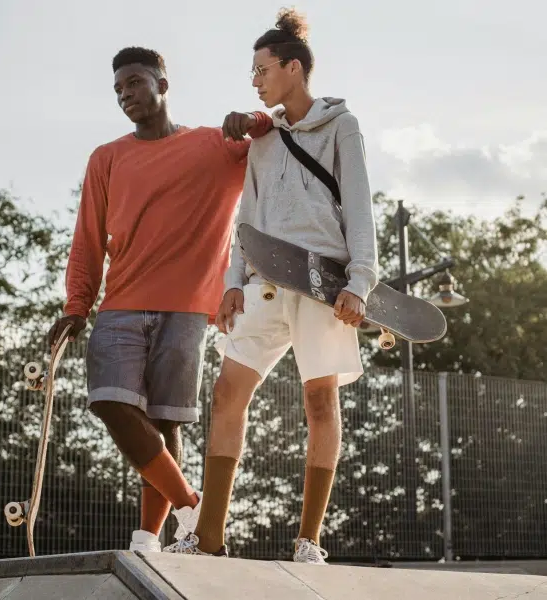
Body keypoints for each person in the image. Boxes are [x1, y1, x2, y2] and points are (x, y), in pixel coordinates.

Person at [163, 9, 379, 564]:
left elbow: (359, 209)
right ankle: (208, 537)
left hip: (320, 281)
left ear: (293, 67)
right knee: (227, 394)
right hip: (262, 281)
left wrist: (360, 281)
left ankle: (309, 542)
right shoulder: (263, 136)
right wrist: (231, 280)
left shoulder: (342, 125)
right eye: (252, 71)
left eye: (261, 69)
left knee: (319, 400)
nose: (254, 80)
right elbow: (247, 216)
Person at [48, 46, 273, 554]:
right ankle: (193, 505)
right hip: (121, 303)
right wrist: (76, 306)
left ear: (162, 84)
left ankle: (148, 538)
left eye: (133, 82)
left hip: (188, 307)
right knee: (109, 401)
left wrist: (252, 116)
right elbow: (87, 239)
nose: (125, 94)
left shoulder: (214, 145)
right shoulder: (106, 157)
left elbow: (274, 127)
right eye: (118, 89)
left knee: (165, 421)